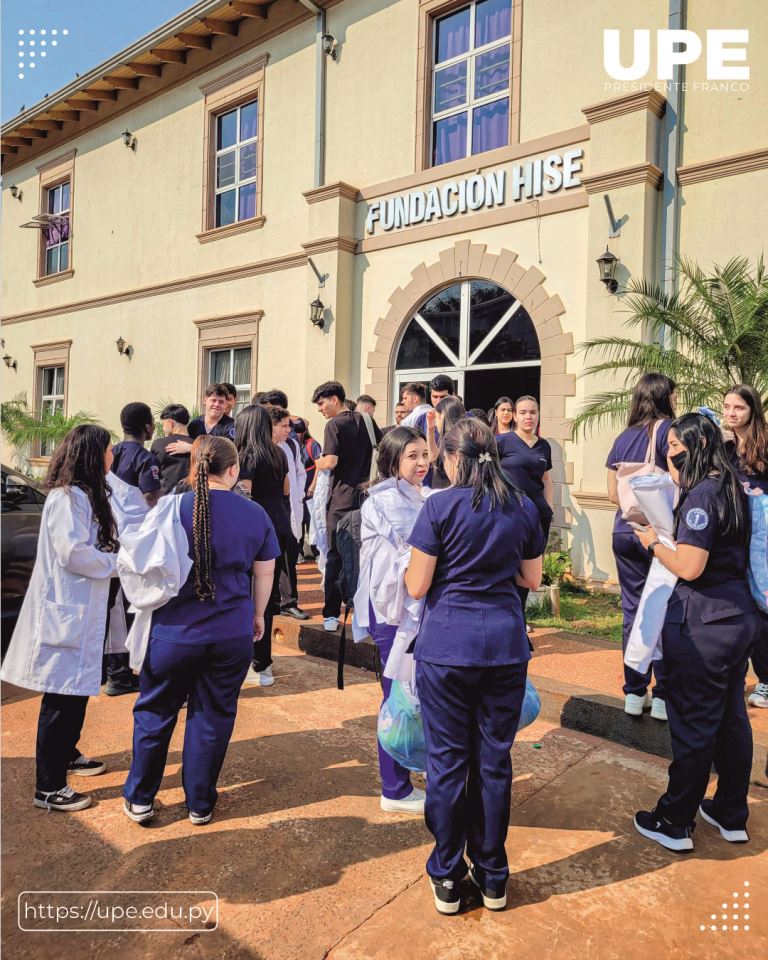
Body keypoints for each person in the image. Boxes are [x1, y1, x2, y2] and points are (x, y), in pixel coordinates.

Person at [404, 418, 544, 914]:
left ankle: (446, 873)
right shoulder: (522, 505)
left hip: (446, 648)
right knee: (493, 762)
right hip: (504, 645)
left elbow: (417, 586)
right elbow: (532, 576)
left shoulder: (439, 506)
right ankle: (493, 874)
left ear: (452, 458)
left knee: (446, 763)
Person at [123, 436, 279, 825]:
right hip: (231, 632)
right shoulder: (254, 513)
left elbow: (137, 561)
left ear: (194, 467)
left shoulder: (169, 508)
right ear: (233, 469)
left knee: (155, 713)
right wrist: (257, 615)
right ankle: (200, 803)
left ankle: (141, 797)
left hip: (174, 632)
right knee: (213, 716)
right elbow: (265, 570)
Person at [632, 413, 760, 851]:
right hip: (737, 619)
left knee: (693, 725)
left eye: (674, 446)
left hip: (704, 626)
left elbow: (690, 565)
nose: (671, 453)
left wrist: (651, 540)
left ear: (694, 446)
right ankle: (729, 811)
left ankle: (674, 819)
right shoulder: (732, 486)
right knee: (729, 719)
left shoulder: (702, 498)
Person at [2, 425, 126, 812]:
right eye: (108, 451)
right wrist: (118, 563)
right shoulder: (66, 499)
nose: (112, 457)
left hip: (86, 610)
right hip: (67, 611)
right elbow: (73, 553)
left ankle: (67, 754)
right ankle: (49, 787)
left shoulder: (90, 494)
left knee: (77, 688)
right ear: (91, 455)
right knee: (61, 696)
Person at [354, 427, 431, 813]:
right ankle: (395, 788)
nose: (421, 462)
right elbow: (417, 546)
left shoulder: (420, 494)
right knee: (399, 701)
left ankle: (427, 773)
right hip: (392, 612)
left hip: (412, 609)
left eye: (424, 454)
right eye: (412, 456)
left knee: (420, 698)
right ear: (393, 461)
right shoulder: (385, 500)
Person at [606, 373, 676, 719]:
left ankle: (634, 692)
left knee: (632, 611)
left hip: (623, 531)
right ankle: (663, 694)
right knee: (664, 609)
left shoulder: (622, 437)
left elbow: (611, 493)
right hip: (658, 534)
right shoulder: (667, 432)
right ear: (666, 397)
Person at [311, 380, 382, 631]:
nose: (320, 410)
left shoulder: (333, 425)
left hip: (341, 500)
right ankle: (363, 612)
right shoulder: (367, 420)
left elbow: (330, 461)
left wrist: (317, 462)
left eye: (321, 404)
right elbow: (381, 451)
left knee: (335, 556)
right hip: (367, 498)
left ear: (333, 399)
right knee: (365, 556)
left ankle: (331, 614)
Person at [235, 405, 292, 686]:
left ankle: (248, 660)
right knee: (266, 599)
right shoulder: (278, 453)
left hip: (253, 533)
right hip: (278, 527)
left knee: (247, 597)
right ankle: (264, 665)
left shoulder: (246, 457)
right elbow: (285, 490)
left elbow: (244, 498)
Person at [110, 402, 162, 695]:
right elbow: (152, 499)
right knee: (138, 606)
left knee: (115, 608)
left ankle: (115, 672)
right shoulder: (145, 458)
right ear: (147, 427)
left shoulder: (111, 453)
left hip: (110, 538)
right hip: (137, 542)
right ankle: (134, 672)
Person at [722, 384, 768, 708]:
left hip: (763, 540)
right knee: (743, 607)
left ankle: (765, 680)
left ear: (752, 410)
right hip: (735, 537)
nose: (731, 413)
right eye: (726, 406)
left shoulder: (765, 446)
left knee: (764, 607)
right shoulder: (724, 450)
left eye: (738, 407)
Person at [495, 396, 554, 619]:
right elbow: (489, 473)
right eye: (523, 412)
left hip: (538, 516)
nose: (528, 416)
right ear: (515, 416)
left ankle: (519, 619)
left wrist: (549, 507)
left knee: (530, 571)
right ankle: (506, 617)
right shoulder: (501, 442)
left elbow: (547, 479)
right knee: (509, 565)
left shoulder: (544, 446)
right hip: (509, 515)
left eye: (533, 412)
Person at [267, 405, 309, 621]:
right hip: (269, 509)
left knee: (289, 556)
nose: (287, 430)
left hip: (290, 506)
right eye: (283, 426)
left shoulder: (292, 445)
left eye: (288, 425)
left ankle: (289, 601)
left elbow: (300, 473)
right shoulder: (262, 448)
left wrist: (297, 493)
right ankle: (271, 601)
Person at [112, 402, 162, 509]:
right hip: (134, 523)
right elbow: (151, 497)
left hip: (108, 519)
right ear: (147, 427)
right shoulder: (147, 459)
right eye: (153, 422)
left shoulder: (110, 453)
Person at [293, 417, 322, 560]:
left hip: (310, 489)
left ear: (304, 432)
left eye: (299, 431)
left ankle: (316, 551)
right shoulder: (292, 445)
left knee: (312, 520)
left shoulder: (312, 444)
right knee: (299, 519)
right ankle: (299, 551)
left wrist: (313, 485)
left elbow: (319, 466)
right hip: (299, 489)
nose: (296, 434)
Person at [425, 395, 466, 490]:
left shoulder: (455, 441)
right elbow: (433, 458)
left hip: (448, 493)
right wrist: (430, 429)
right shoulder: (453, 437)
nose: (435, 423)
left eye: (436, 417)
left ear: (442, 415)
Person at [151, 403, 191, 497]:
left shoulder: (159, 444)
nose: (163, 429)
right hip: (190, 499)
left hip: (164, 499)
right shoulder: (198, 446)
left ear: (170, 422)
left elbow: (152, 473)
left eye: (163, 424)